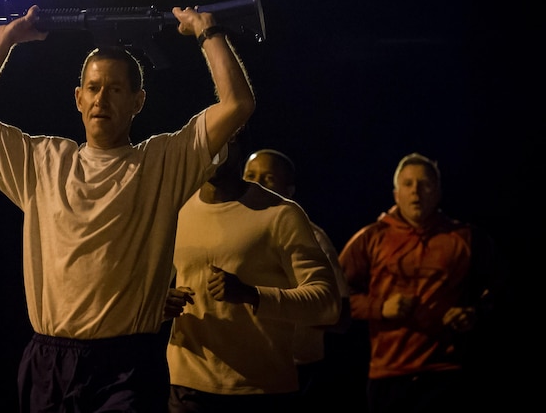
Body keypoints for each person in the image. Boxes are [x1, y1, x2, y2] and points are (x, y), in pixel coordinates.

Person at [0, 4, 255, 412]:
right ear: (78, 97)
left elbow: (237, 105)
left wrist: (206, 32)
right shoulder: (45, 161)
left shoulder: (160, 162)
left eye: (115, 89)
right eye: (93, 88)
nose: (101, 99)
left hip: (125, 365)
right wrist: (3, 40)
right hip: (49, 362)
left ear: (137, 101)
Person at [164, 130, 341, 413]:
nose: (211, 148)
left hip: (261, 389)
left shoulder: (281, 214)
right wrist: (160, 304)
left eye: (223, 138)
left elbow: (328, 305)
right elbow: (144, 291)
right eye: (204, 141)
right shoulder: (176, 209)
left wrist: (252, 295)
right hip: (187, 387)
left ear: (238, 145)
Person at [338, 152, 502, 413]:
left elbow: (496, 290)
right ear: (395, 194)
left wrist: (473, 313)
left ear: (437, 192)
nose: (416, 191)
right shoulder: (370, 238)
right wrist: (379, 308)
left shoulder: (467, 238)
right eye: (408, 184)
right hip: (388, 373)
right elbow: (335, 295)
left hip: (446, 373)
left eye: (424, 184)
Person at [242, 148, 351, 406]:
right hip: (242, 374)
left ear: (290, 191)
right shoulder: (231, 234)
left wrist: (270, 305)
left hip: (295, 373)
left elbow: (341, 316)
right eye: (249, 175)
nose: (255, 183)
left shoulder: (311, 237)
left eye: (267, 178)